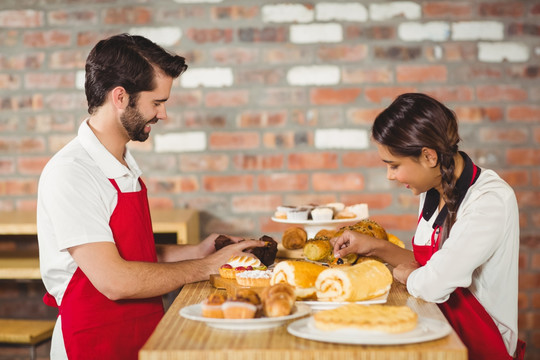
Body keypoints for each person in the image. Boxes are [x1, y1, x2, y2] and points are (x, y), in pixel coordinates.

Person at [37, 34, 263, 360]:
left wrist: (198, 250)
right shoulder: (72, 172)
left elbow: (133, 253)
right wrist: (205, 267)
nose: (163, 114)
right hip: (94, 344)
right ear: (120, 97)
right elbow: (114, 279)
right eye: (157, 103)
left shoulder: (123, 164)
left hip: (143, 335)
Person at [332, 93, 525, 360]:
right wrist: (375, 247)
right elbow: (431, 268)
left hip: (481, 346)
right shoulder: (432, 188)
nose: (390, 176)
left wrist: (407, 276)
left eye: (394, 166)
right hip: (440, 328)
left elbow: (433, 282)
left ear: (429, 156)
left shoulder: (489, 201)